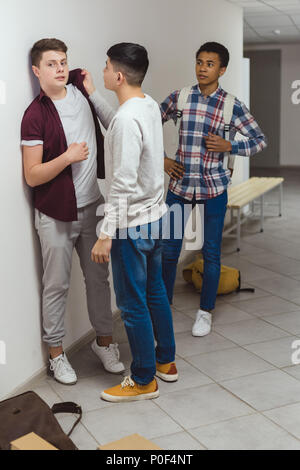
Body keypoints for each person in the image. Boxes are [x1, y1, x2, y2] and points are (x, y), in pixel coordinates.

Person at [21, 38, 125, 386]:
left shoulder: (81, 89)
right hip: (55, 213)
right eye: (51, 64)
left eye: (63, 61)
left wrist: (95, 91)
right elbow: (32, 175)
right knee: (56, 285)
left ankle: (105, 343)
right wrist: (66, 157)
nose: (60, 68)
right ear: (37, 71)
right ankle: (56, 355)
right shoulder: (34, 115)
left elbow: (114, 123)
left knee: (98, 280)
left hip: (92, 205)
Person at [82, 42, 177, 403]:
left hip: (131, 227)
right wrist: (93, 95)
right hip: (157, 220)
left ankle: (142, 379)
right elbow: (119, 125)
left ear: (118, 75)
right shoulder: (147, 105)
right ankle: (165, 363)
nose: (103, 70)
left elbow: (121, 182)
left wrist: (106, 234)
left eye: (106, 67)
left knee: (132, 304)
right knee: (155, 294)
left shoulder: (126, 119)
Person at [161, 42, 267, 337]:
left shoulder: (232, 105)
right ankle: (162, 308)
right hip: (179, 187)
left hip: (214, 189)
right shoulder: (180, 98)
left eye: (209, 63)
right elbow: (146, 125)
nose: (202, 68)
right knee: (169, 251)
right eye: (199, 62)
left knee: (211, 252)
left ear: (222, 70)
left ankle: (205, 312)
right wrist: (164, 160)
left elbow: (259, 140)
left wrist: (230, 145)